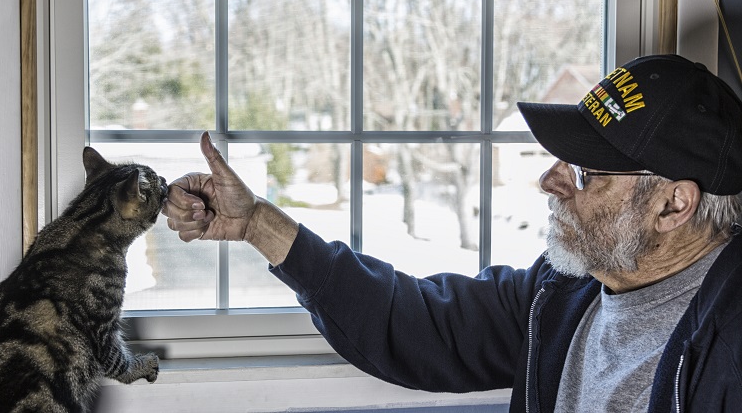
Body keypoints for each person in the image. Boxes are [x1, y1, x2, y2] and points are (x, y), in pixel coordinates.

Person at [162, 54, 742, 412]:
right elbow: (417, 322)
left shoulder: (730, 347)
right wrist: (256, 222)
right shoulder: (565, 293)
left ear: (673, 204)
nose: (550, 181)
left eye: (586, 172)